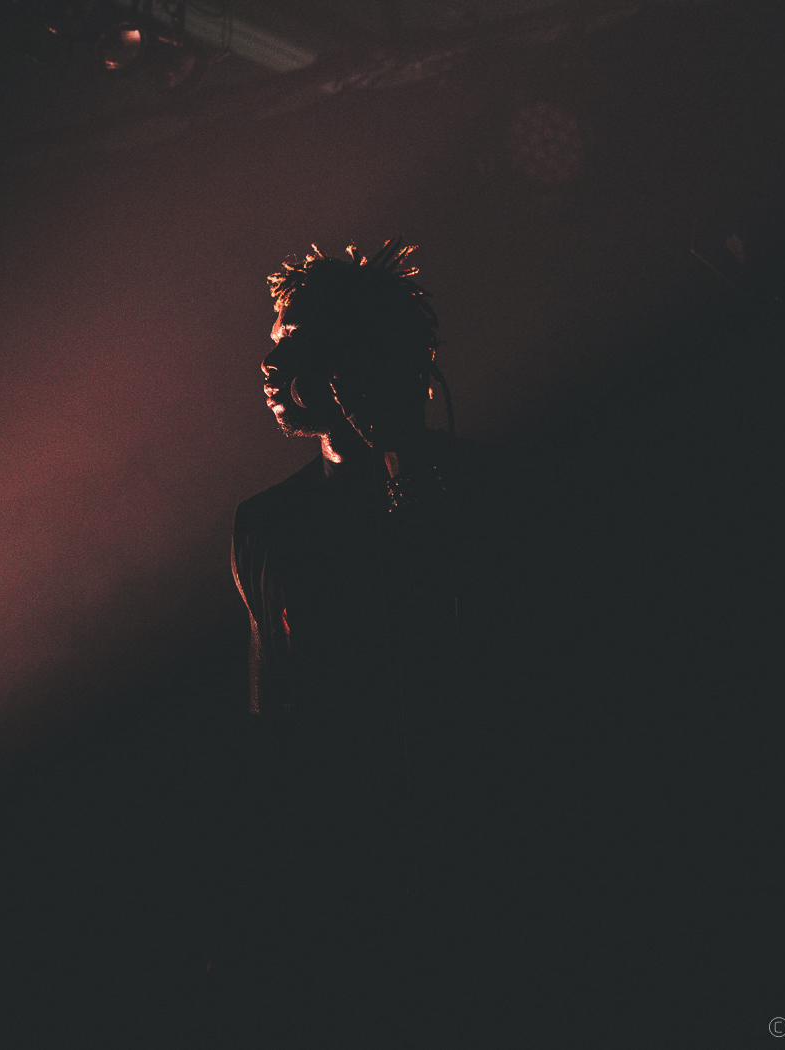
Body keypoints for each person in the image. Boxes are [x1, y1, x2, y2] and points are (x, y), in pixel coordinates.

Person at [222, 240, 524, 1043]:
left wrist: (398, 454)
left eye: (292, 341)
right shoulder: (265, 524)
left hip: (475, 853)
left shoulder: (488, 489)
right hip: (340, 874)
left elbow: (487, 656)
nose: (267, 363)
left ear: (355, 356)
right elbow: (272, 710)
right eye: (273, 340)